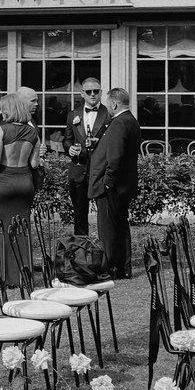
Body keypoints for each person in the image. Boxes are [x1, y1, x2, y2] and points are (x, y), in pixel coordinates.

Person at [0, 89, 42, 285]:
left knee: (1, 229)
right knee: (22, 228)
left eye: (3, 110)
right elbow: (35, 164)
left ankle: (2, 275)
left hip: (4, 182)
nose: (1, 113)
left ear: (9, 110)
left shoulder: (1, 130)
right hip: (24, 182)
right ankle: (22, 275)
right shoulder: (33, 132)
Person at [88, 85, 141, 279]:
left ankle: (109, 267)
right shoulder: (132, 121)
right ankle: (123, 267)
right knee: (120, 225)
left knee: (108, 227)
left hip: (114, 184)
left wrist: (107, 181)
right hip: (126, 183)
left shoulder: (119, 123)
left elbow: (115, 156)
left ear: (114, 103)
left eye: (109, 103)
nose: (107, 107)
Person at [63, 77, 110, 236]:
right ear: (82, 93)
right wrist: (69, 149)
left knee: (105, 215)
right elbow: (67, 140)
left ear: (101, 93)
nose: (92, 95)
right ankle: (82, 252)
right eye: (88, 92)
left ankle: (105, 252)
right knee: (79, 214)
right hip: (78, 170)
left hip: (101, 172)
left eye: (96, 91)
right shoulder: (73, 114)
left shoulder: (109, 114)